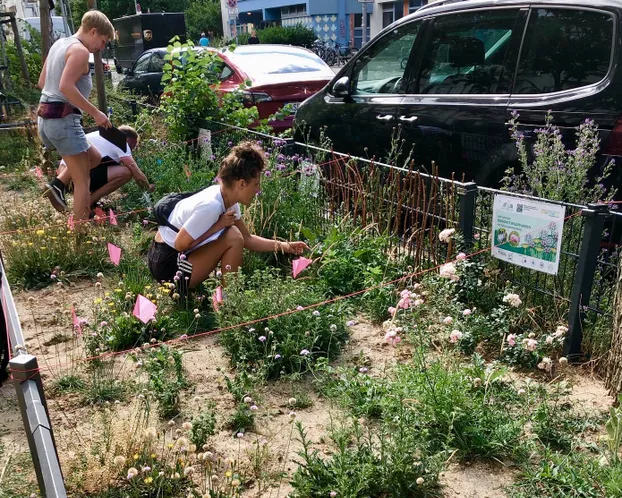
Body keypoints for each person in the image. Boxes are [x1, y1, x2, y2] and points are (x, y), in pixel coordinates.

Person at [147, 142, 308, 292]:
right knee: (233, 237)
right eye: (256, 184)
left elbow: (248, 239)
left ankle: (227, 296)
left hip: (171, 256)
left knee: (235, 236)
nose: (258, 190)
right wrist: (217, 227)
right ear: (242, 184)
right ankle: (229, 300)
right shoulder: (212, 206)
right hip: (167, 267)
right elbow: (180, 244)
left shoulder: (226, 199)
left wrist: (285, 246)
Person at [37, 10, 114, 221]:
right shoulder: (80, 51)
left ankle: (58, 184)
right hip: (64, 121)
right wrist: (96, 113)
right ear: (93, 31)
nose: (101, 47)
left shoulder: (59, 44)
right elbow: (65, 86)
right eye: (103, 41)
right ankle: (80, 237)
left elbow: (43, 83)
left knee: (95, 157)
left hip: (45, 119)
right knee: (82, 182)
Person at [45, 125, 153, 212]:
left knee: (106, 165)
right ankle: (89, 202)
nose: (132, 150)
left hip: (65, 176)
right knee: (126, 172)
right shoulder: (120, 141)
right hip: (75, 179)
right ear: (128, 139)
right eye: (133, 145)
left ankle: (82, 200)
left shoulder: (101, 135)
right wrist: (148, 188)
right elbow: (135, 171)